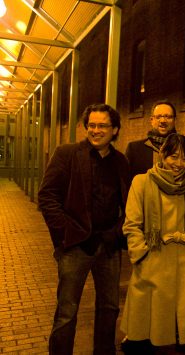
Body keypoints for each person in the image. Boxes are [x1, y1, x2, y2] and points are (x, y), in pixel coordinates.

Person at [38, 104, 130, 354]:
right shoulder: (67, 154)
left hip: (108, 246)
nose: (96, 130)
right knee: (67, 311)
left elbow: (131, 204)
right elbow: (47, 197)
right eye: (91, 125)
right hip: (75, 246)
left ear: (115, 130)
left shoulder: (121, 161)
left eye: (102, 126)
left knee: (110, 307)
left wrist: (116, 234)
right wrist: (66, 235)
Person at [120, 134, 185, 354]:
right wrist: (141, 255)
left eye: (184, 159)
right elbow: (131, 224)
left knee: (179, 323)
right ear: (162, 155)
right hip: (153, 258)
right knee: (145, 322)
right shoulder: (142, 181)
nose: (178, 164)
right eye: (173, 157)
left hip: (184, 261)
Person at [125, 99, 185, 178]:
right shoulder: (134, 149)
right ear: (151, 120)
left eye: (168, 117)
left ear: (175, 120)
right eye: (158, 117)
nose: (163, 121)